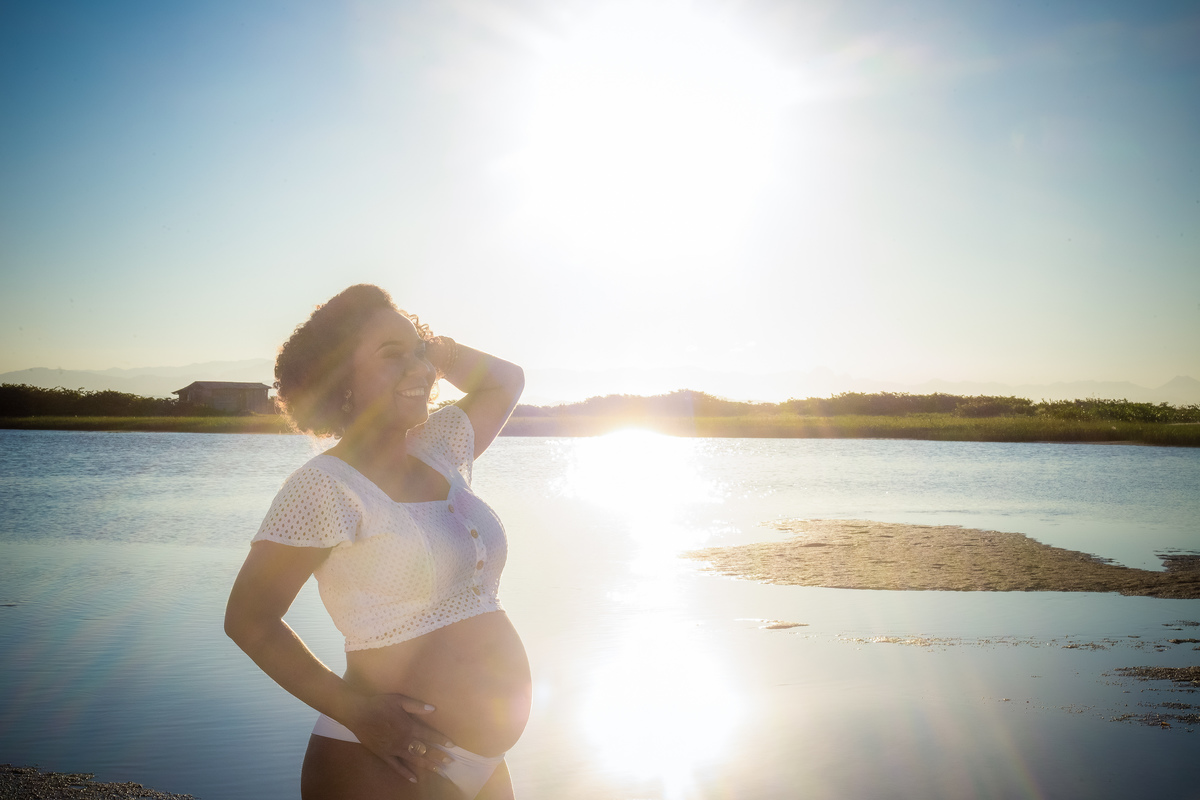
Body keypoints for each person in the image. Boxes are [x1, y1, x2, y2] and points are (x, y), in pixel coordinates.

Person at [225, 284, 530, 799]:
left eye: (420, 351)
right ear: (339, 378)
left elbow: (506, 382)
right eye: (393, 355)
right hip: (379, 759)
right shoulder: (323, 486)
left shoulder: (440, 447)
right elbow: (249, 619)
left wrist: (440, 352)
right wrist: (357, 712)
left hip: (484, 763)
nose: (421, 370)